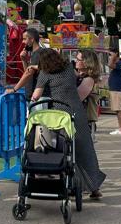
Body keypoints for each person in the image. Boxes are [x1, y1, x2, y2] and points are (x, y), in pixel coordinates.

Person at [31, 49, 106, 199]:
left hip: (59, 114)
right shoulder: (69, 69)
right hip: (76, 112)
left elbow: (36, 95)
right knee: (84, 149)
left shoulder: (45, 73)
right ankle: (93, 186)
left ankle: (66, 181)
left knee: (63, 148)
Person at [5, 29, 46, 100]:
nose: (23, 42)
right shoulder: (33, 54)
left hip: (37, 97)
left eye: (24, 39)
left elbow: (28, 74)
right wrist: (23, 60)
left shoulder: (38, 54)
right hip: (32, 95)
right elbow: (27, 72)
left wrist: (14, 89)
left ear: (32, 39)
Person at [76, 50, 101, 143]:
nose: (76, 61)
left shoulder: (89, 80)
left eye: (79, 59)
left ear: (86, 63)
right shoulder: (82, 77)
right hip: (82, 120)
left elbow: (77, 98)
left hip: (84, 122)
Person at [107, 48, 121, 135]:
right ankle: (120, 127)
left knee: (119, 109)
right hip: (114, 89)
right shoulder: (117, 63)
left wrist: (113, 56)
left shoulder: (118, 64)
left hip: (117, 90)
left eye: (110, 55)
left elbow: (110, 65)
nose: (109, 57)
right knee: (117, 109)